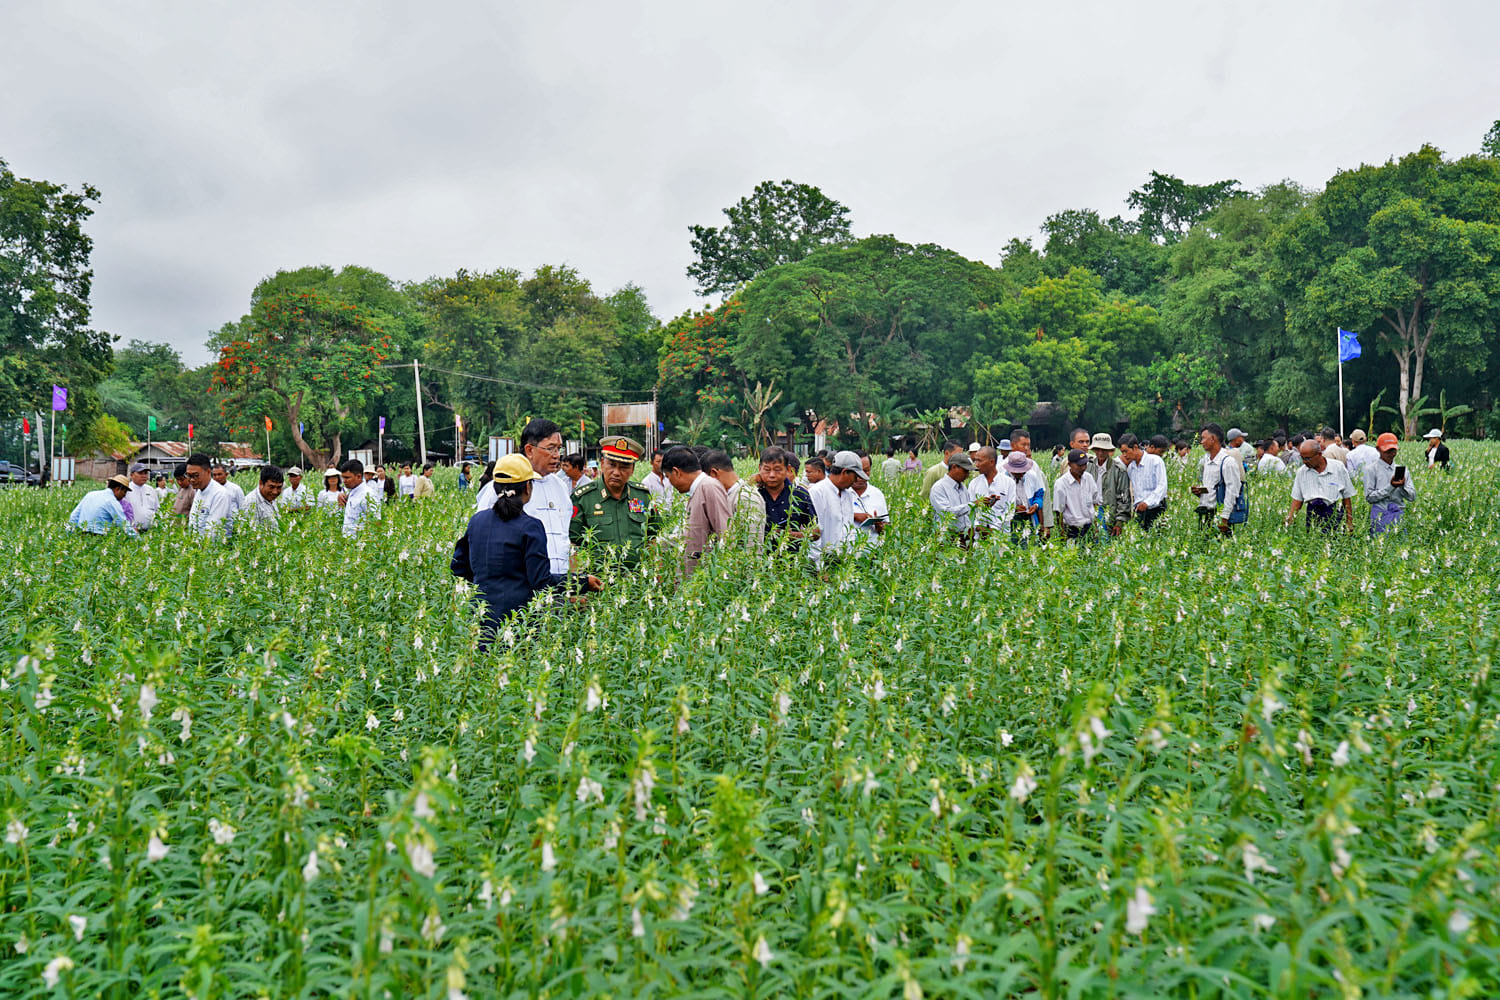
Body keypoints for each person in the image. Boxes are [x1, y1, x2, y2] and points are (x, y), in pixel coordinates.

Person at [451, 454, 602, 645]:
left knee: (485, 671)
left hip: (481, 618)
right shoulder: (530, 526)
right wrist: (582, 582)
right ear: (528, 488)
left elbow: (458, 566)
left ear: (495, 487)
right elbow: (542, 582)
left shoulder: (477, 521)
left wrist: (489, 581)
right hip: (519, 622)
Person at [570, 436, 663, 568]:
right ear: (602, 463)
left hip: (638, 582)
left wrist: (657, 575)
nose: (617, 472)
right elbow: (572, 545)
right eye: (612, 465)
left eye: (624, 467)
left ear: (633, 469)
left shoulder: (642, 496)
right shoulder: (584, 498)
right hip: (598, 583)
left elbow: (654, 537)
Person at [662, 447, 730, 578]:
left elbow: (725, 533)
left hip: (705, 580)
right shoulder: (696, 490)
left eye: (668, 477)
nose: (669, 482)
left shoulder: (709, 487)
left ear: (676, 472)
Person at [1284, 439, 1356, 532]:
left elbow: (1346, 497)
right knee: (1314, 540)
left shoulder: (1338, 467)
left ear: (1319, 454)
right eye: (1302, 458)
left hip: (1334, 512)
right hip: (1313, 513)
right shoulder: (1302, 472)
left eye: (1307, 458)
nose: (1304, 462)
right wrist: (1290, 518)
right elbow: (1297, 499)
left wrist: (1349, 521)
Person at [754, 446, 816, 551]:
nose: (772, 475)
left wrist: (791, 536)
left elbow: (816, 531)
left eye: (777, 470)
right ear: (760, 468)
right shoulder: (753, 494)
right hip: (758, 561)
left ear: (788, 469)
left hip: (791, 563)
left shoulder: (800, 494)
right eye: (767, 470)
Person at [808, 451, 861, 567]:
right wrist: (819, 568)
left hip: (843, 563)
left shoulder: (848, 494)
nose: (856, 481)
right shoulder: (818, 492)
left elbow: (849, 527)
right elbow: (814, 533)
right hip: (824, 563)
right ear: (845, 472)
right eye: (855, 476)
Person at [1190, 424, 1243, 537]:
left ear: (1213, 439)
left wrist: (1224, 518)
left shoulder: (1227, 462)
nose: (1201, 442)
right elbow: (1212, 489)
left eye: (1204, 438)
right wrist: (1200, 493)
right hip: (1205, 514)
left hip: (1220, 516)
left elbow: (1232, 491)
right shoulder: (1206, 461)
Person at [1363, 432, 1414, 535]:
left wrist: (1402, 486)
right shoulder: (1371, 470)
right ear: (1378, 449)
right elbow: (1370, 497)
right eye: (1387, 450)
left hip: (1398, 513)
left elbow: (1412, 497)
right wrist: (1391, 487)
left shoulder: (1403, 470)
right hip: (1380, 514)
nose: (1391, 453)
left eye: (1393, 450)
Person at [1008, 430, 1053, 536]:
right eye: (1023, 444)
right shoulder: (1001, 468)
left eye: (1028, 445)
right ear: (1013, 445)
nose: (1027, 448)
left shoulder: (1033, 467)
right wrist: (1013, 507)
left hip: (1031, 520)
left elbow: (1041, 495)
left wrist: (1044, 524)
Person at [1120, 434, 1168, 531]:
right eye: (1122, 452)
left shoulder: (1155, 461)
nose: (1124, 455)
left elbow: (1162, 486)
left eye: (1126, 451)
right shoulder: (1131, 468)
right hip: (1140, 512)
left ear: (1135, 447)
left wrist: (1147, 502)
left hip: (1156, 509)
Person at [1088, 433, 1132, 536]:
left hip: (1109, 512)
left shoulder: (1119, 469)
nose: (1100, 452)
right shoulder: (1087, 467)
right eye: (1097, 449)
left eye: (1104, 449)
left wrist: (1120, 521)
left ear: (1109, 451)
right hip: (1090, 511)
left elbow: (1124, 497)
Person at [1053, 449, 1102, 540]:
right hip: (1072, 530)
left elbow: (1095, 503)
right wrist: (1062, 534)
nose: (1083, 468)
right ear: (1069, 464)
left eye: (1085, 464)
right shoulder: (1061, 483)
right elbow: (1059, 512)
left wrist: (1095, 527)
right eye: (1079, 465)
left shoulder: (1088, 478)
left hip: (1089, 527)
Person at [67, 475, 137, 537]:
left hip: (82, 535)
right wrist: (138, 540)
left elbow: (74, 516)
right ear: (118, 489)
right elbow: (123, 524)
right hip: (99, 537)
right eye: (124, 492)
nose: (124, 495)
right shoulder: (112, 501)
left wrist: (69, 534)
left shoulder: (90, 494)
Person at [968, 445, 1015, 539]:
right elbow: (970, 509)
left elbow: (1010, 511)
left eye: (980, 461)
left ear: (992, 462)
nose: (976, 464)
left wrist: (993, 529)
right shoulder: (974, 484)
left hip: (1001, 538)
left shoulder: (1008, 483)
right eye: (975, 460)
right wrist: (978, 527)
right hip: (979, 538)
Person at [186, 453, 235, 539]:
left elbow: (213, 531)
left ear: (208, 472)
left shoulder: (220, 494)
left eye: (196, 475)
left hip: (214, 549)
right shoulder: (199, 491)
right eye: (189, 476)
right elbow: (193, 523)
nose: (192, 480)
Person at [929, 451, 976, 540]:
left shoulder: (963, 487)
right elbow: (946, 513)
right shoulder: (939, 487)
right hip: (947, 538)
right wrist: (973, 505)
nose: (967, 475)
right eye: (965, 471)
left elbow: (966, 513)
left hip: (965, 537)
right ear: (954, 467)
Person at [1003, 451, 1045, 541]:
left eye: (1023, 471)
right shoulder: (1003, 481)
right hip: (1011, 522)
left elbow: (1039, 495)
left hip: (1029, 519)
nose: (1022, 474)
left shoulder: (1032, 476)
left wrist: (1036, 505)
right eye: (1018, 472)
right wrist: (1014, 508)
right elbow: (999, 506)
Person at [851, 462, 888, 541]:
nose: (861, 476)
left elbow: (886, 525)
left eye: (866, 471)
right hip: (846, 550)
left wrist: (880, 526)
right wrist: (854, 515)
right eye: (857, 471)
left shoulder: (877, 494)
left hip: (872, 550)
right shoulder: (841, 493)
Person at [339, 458, 376, 537]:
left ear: (359, 476)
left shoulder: (368, 495)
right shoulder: (351, 491)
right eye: (343, 477)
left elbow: (376, 522)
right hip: (348, 543)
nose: (344, 481)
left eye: (347, 478)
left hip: (360, 544)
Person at [125, 462, 159, 531]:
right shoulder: (126, 490)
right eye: (140, 473)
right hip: (132, 531)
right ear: (131, 475)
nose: (144, 476)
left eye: (146, 473)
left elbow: (157, 509)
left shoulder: (151, 490)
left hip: (150, 532)